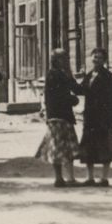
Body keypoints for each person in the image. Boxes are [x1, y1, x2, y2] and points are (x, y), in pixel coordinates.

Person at [37, 48, 82, 187]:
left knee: (62, 147)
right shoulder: (55, 75)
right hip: (59, 115)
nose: (66, 61)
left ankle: (64, 178)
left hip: (58, 115)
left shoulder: (58, 74)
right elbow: (59, 96)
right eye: (64, 58)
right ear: (56, 60)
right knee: (62, 147)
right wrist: (73, 100)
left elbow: (76, 89)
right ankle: (63, 178)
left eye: (66, 58)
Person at [79, 47, 112, 187]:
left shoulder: (108, 77)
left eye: (99, 58)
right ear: (91, 58)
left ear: (104, 60)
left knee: (104, 147)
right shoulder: (90, 75)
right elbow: (81, 90)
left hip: (103, 118)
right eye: (94, 57)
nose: (96, 60)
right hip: (90, 117)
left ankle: (104, 178)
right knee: (88, 147)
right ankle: (90, 177)